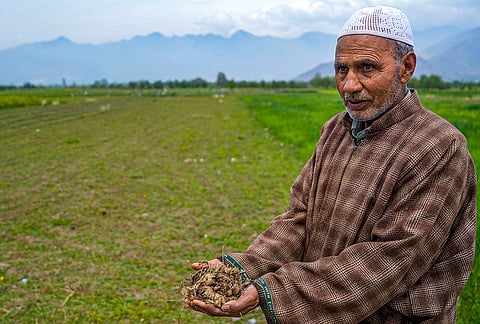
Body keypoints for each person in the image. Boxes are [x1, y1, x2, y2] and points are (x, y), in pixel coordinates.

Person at [185, 5, 477, 323]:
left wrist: (273, 292)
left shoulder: (438, 146)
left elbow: (391, 259)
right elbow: (300, 219)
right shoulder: (335, 130)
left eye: (367, 68)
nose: (349, 85)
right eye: (341, 69)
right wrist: (242, 268)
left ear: (405, 67)